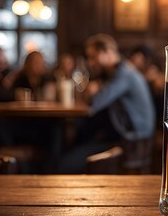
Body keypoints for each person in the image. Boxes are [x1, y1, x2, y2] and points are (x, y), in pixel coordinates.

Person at [58, 34, 155, 173]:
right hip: (132, 138)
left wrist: (94, 91)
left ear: (108, 52)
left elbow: (95, 104)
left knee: (67, 162)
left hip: (133, 142)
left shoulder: (124, 73)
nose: (91, 63)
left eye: (93, 56)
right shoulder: (121, 71)